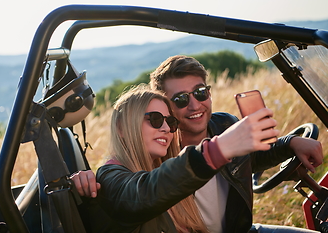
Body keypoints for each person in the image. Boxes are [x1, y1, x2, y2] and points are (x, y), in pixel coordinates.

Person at [72, 84, 282, 233]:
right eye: (154, 119)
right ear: (121, 128)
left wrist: (289, 144)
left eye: (170, 122)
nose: (165, 128)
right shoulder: (109, 179)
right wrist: (220, 148)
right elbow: (146, 192)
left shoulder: (160, 171)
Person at [148, 55, 323, 233]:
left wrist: (290, 143)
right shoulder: (159, 153)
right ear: (166, 108)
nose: (195, 106)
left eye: (200, 92)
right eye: (181, 99)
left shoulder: (225, 124)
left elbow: (250, 158)